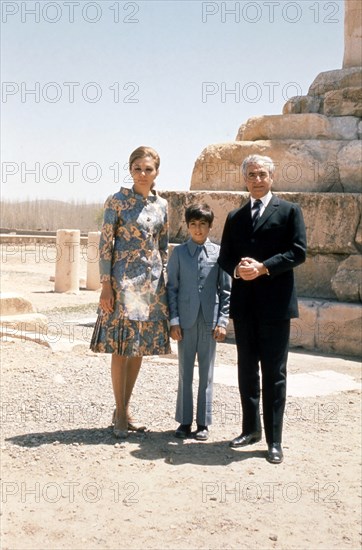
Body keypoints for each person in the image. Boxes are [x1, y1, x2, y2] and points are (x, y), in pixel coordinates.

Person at [218, 154, 307, 463]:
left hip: (275, 307)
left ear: (272, 177)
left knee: (274, 373)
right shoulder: (235, 216)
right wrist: (238, 269)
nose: (257, 179)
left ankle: (274, 440)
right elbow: (224, 257)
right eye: (252, 174)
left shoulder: (289, 211)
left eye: (262, 174)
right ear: (245, 179)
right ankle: (250, 429)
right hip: (245, 307)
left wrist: (264, 267)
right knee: (246, 371)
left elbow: (298, 252)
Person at [90, 146, 171, 439]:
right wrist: (106, 285)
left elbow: (162, 247)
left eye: (148, 169)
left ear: (156, 172)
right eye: (137, 168)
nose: (142, 174)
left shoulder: (162, 205)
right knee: (122, 346)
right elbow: (105, 245)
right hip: (123, 282)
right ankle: (121, 413)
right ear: (130, 169)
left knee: (139, 347)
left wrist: (165, 283)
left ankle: (123, 409)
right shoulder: (117, 201)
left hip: (150, 285)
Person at [167, 203, 231, 441]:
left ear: (210, 226)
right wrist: (174, 321)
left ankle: (203, 423)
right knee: (185, 373)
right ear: (187, 226)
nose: (198, 229)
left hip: (209, 322)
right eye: (193, 224)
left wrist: (222, 321)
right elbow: (171, 288)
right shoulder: (179, 253)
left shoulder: (219, 253)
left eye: (203, 224)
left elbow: (226, 290)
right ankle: (184, 421)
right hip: (184, 322)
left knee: (207, 373)